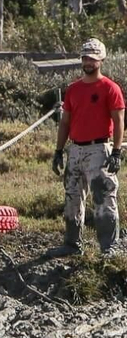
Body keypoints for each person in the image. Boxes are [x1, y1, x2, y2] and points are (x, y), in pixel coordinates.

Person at [52, 38, 124, 255]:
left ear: (101, 60)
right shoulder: (73, 89)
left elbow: (119, 120)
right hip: (76, 149)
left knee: (103, 197)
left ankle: (109, 247)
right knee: (72, 197)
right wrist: (58, 151)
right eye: (85, 57)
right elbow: (65, 122)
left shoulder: (110, 88)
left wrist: (117, 152)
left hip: (99, 148)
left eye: (92, 58)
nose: (88, 62)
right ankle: (72, 244)